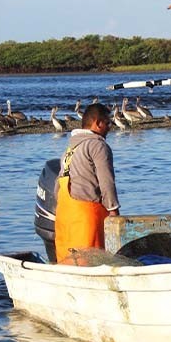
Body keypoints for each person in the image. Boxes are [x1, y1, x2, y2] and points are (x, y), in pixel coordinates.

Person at [54, 103, 120, 260]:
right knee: (91, 261)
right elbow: (106, 181)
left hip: (64, 216)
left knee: (67, 262)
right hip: (87, 217)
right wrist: (114, 211)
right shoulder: (97, 145)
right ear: (97, 123)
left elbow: (57, 186)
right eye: (108, 122)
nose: (110, 127)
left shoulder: (70, 149)